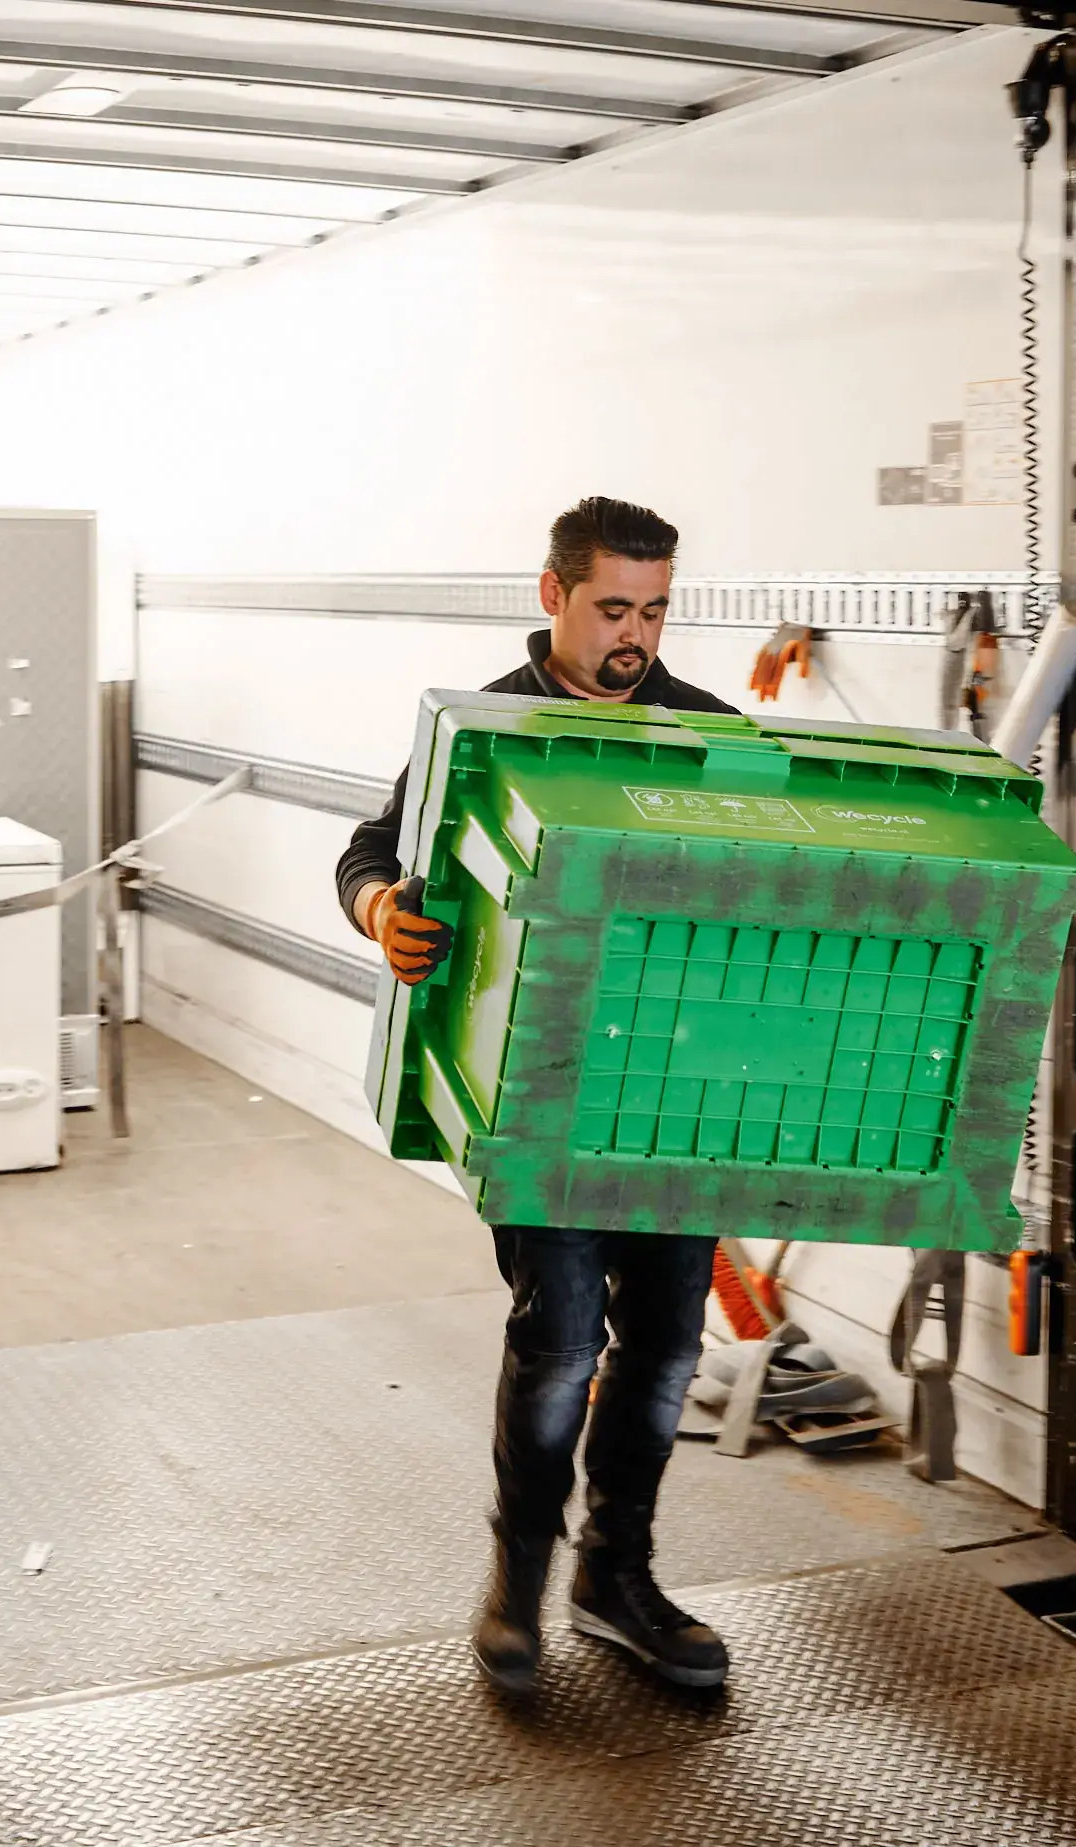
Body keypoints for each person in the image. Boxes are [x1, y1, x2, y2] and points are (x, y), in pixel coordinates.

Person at [336, 496, 737, 1694]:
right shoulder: (486, 732)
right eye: (613, 606)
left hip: (673, 1097)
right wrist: (383, 912)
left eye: (655, 609)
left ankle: (616, 1577)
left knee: (663, 1347)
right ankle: (516, 1579)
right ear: (551, 595)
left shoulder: (710, 730)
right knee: (560, 1341)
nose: (636, 634)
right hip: (538, 1093)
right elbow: (371, 850)